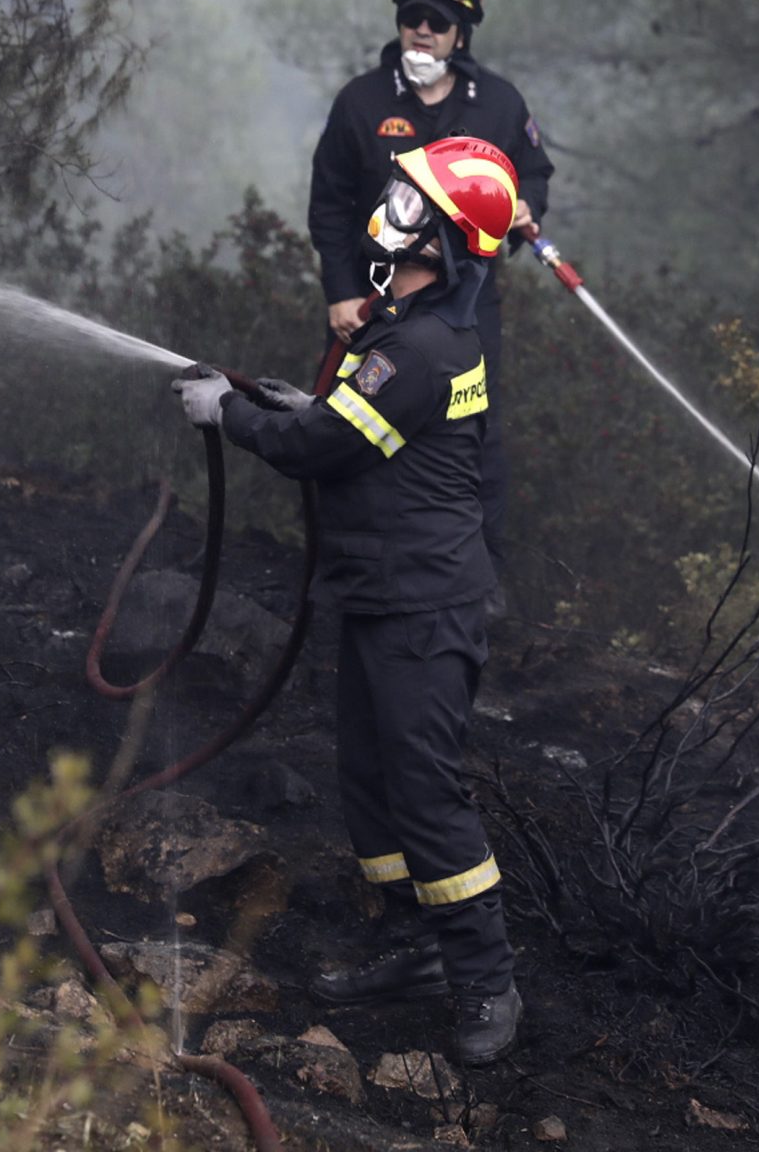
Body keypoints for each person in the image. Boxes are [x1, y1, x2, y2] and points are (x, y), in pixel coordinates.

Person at [175, 134, 525, 1066]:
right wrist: (304, 405)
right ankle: (419, 951)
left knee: (426, 791)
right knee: (372, 786)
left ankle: (487, 981)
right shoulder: (407, 329)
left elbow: (320, 449)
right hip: (385, 595)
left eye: (414, 202)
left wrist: (234, 415)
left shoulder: (417, 344)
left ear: (446, 241)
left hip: (423, 604)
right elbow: (353, 425)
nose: (393, 207)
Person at [307, 0, 554, 608]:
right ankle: (338, 570)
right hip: (373, 303)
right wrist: (340, 292)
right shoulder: (360, 104)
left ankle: (480, 582)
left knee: (474, 431)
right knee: (349, 426)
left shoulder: (499, 104)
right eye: (413, 15)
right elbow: (329, 207)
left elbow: (535, 170)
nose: (423, 29)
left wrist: (526, 203)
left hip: (467, 308)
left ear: (462, 32)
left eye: (438, 20)